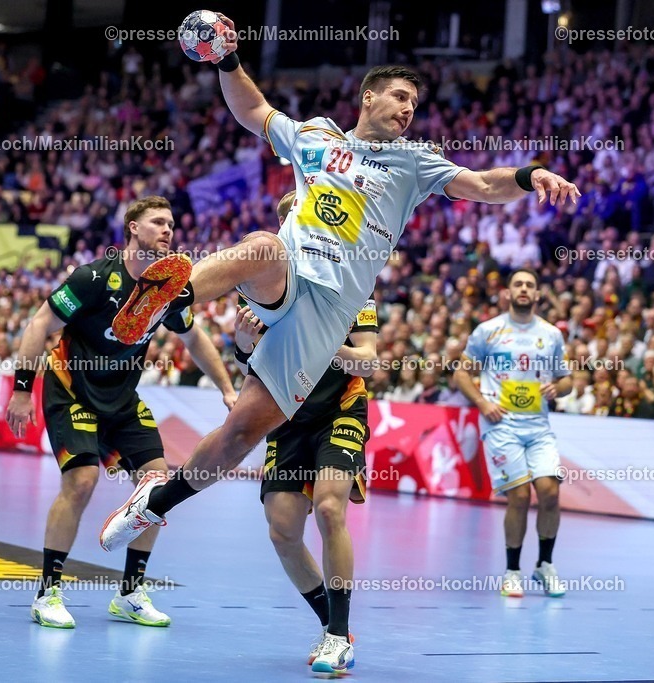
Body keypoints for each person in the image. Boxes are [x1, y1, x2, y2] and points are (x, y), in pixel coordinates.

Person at [100, 14, 579, 665]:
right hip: (289, 275)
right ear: (368, 99)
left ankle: (157, 501)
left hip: (329, 318)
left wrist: (531, 176)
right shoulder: (318, 139)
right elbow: (254, 110)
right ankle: (166, 297)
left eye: (416, 102)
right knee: (265, 246)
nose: (409, 109)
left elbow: (481, 185)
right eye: (400, 97)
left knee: (241, 434)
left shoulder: (413, 163)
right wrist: (225, 62)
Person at [5, 195, 237, 629]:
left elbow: (195, 338)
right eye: (157, 222)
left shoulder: (166, 289)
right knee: (82, 481)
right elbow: (40, 323)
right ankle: (47, 592)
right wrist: (21, 389)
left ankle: (130, 593)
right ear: (133, 227)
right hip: (71, 390)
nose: (168, 230)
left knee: (157, 487)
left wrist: (227, 389)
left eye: (171, 223)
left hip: (122, 399)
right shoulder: (94, 277)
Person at [234, 191, 377, 672]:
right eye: (287, 216)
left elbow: (370, 360)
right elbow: (252, 365)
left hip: (340, 408)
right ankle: (329, 621)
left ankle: (338, 635)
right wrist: (242, 343)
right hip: (287, 415)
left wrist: (326, 344)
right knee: (282, 531)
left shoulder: (353, 284)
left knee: (331, 508)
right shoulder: (263, 286)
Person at [453, 269, 572, 599]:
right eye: (518, 284)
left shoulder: (550, 334)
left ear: (537, 295)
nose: (523, 289)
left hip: (538, 426)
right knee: (519, 495)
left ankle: (545, 565)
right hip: (501, 424)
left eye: (529, 285)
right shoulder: (488, 331)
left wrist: (556, 388)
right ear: (507, 293)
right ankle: (512, 572)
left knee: (549, 492)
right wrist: (480, 402)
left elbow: (567, 380)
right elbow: (461, 373)